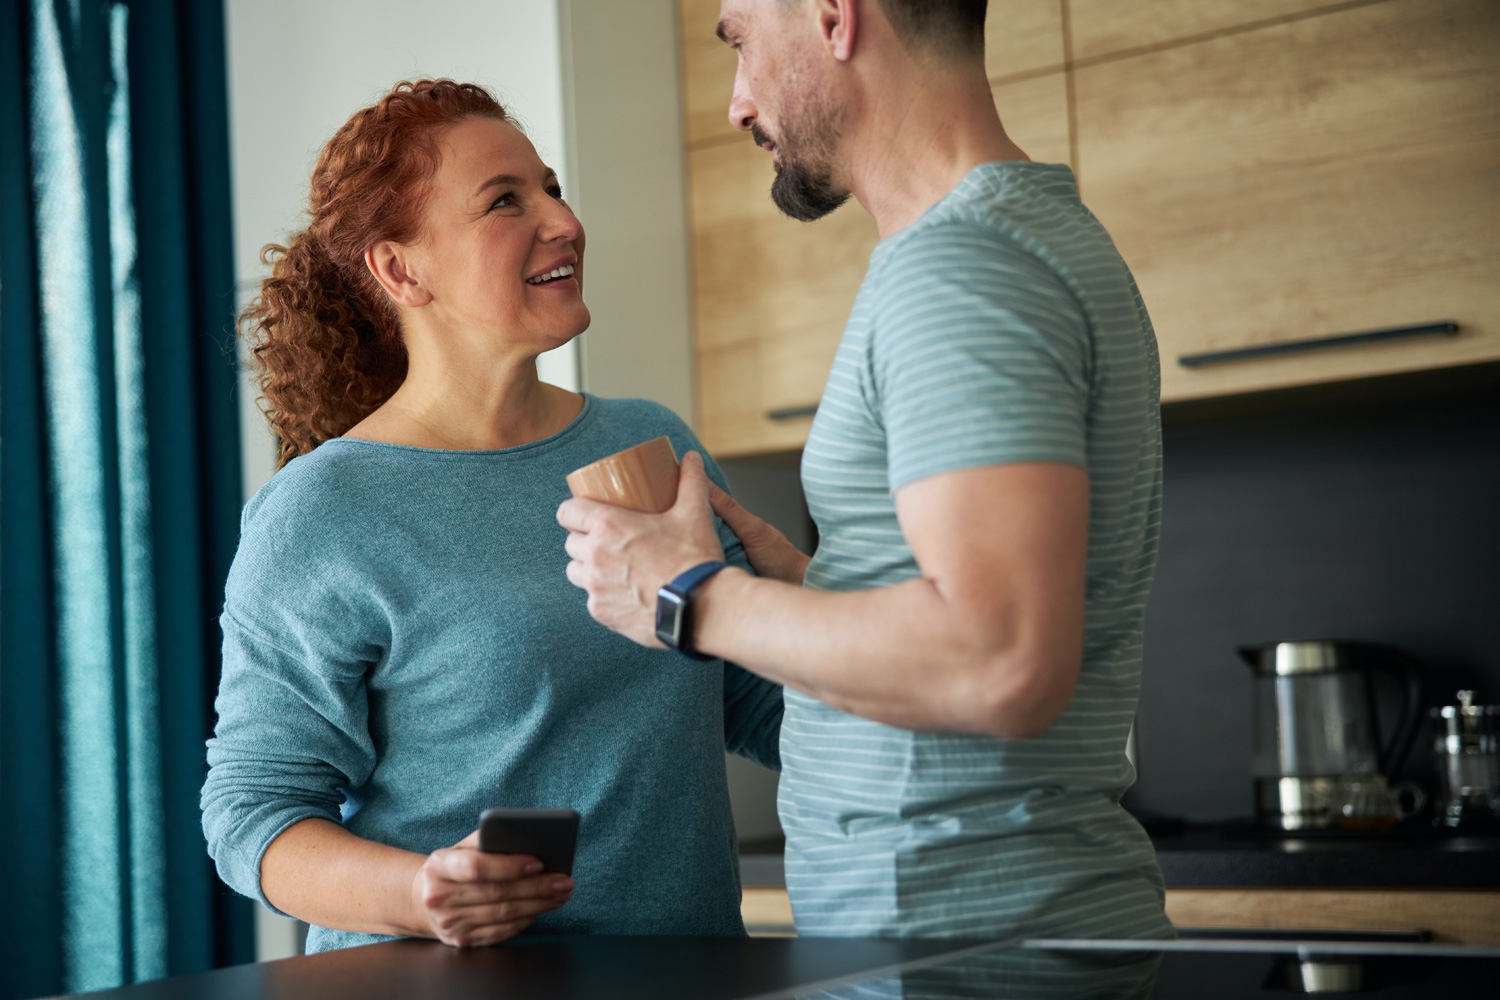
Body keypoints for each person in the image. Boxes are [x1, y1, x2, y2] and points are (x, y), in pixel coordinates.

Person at [559, 0, 1173, 940]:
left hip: (960, 951)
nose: (738, 102)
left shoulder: (960, 270)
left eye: (741, 41)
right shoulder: (1018, 238)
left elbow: (1001, 660)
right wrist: (817, 583)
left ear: (834, 17)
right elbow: (973, 609)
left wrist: (690, 597)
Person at [200, 79, 782, 954]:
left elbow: (759, 706)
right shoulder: (325, 511)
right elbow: (253, 813)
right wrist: (418, 890)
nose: (562, 220)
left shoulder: (648, 443)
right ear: (401, 270)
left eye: (551, 186)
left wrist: (839, 615)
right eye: (506, 201)